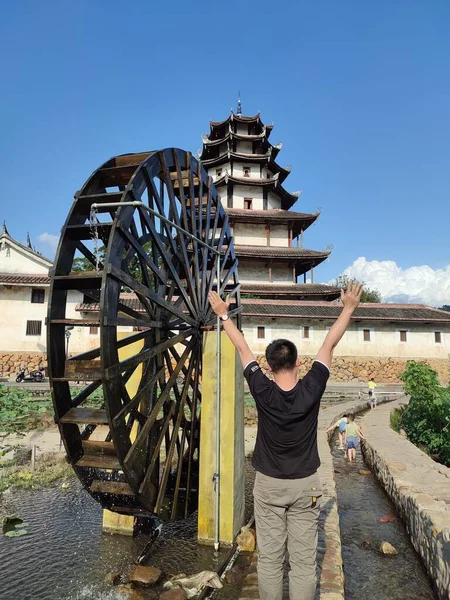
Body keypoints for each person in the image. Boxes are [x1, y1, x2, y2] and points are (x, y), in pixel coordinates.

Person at [208, 280, 363, 600]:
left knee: (270, 559)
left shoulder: (262, 389)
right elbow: (329, 345)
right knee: (305, 563)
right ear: (297, 364)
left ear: (268, 366)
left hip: (269, 484)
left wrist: (224, 315)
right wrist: (348, 308)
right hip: (306, 483)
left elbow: (241, 348)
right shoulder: (312, 388)